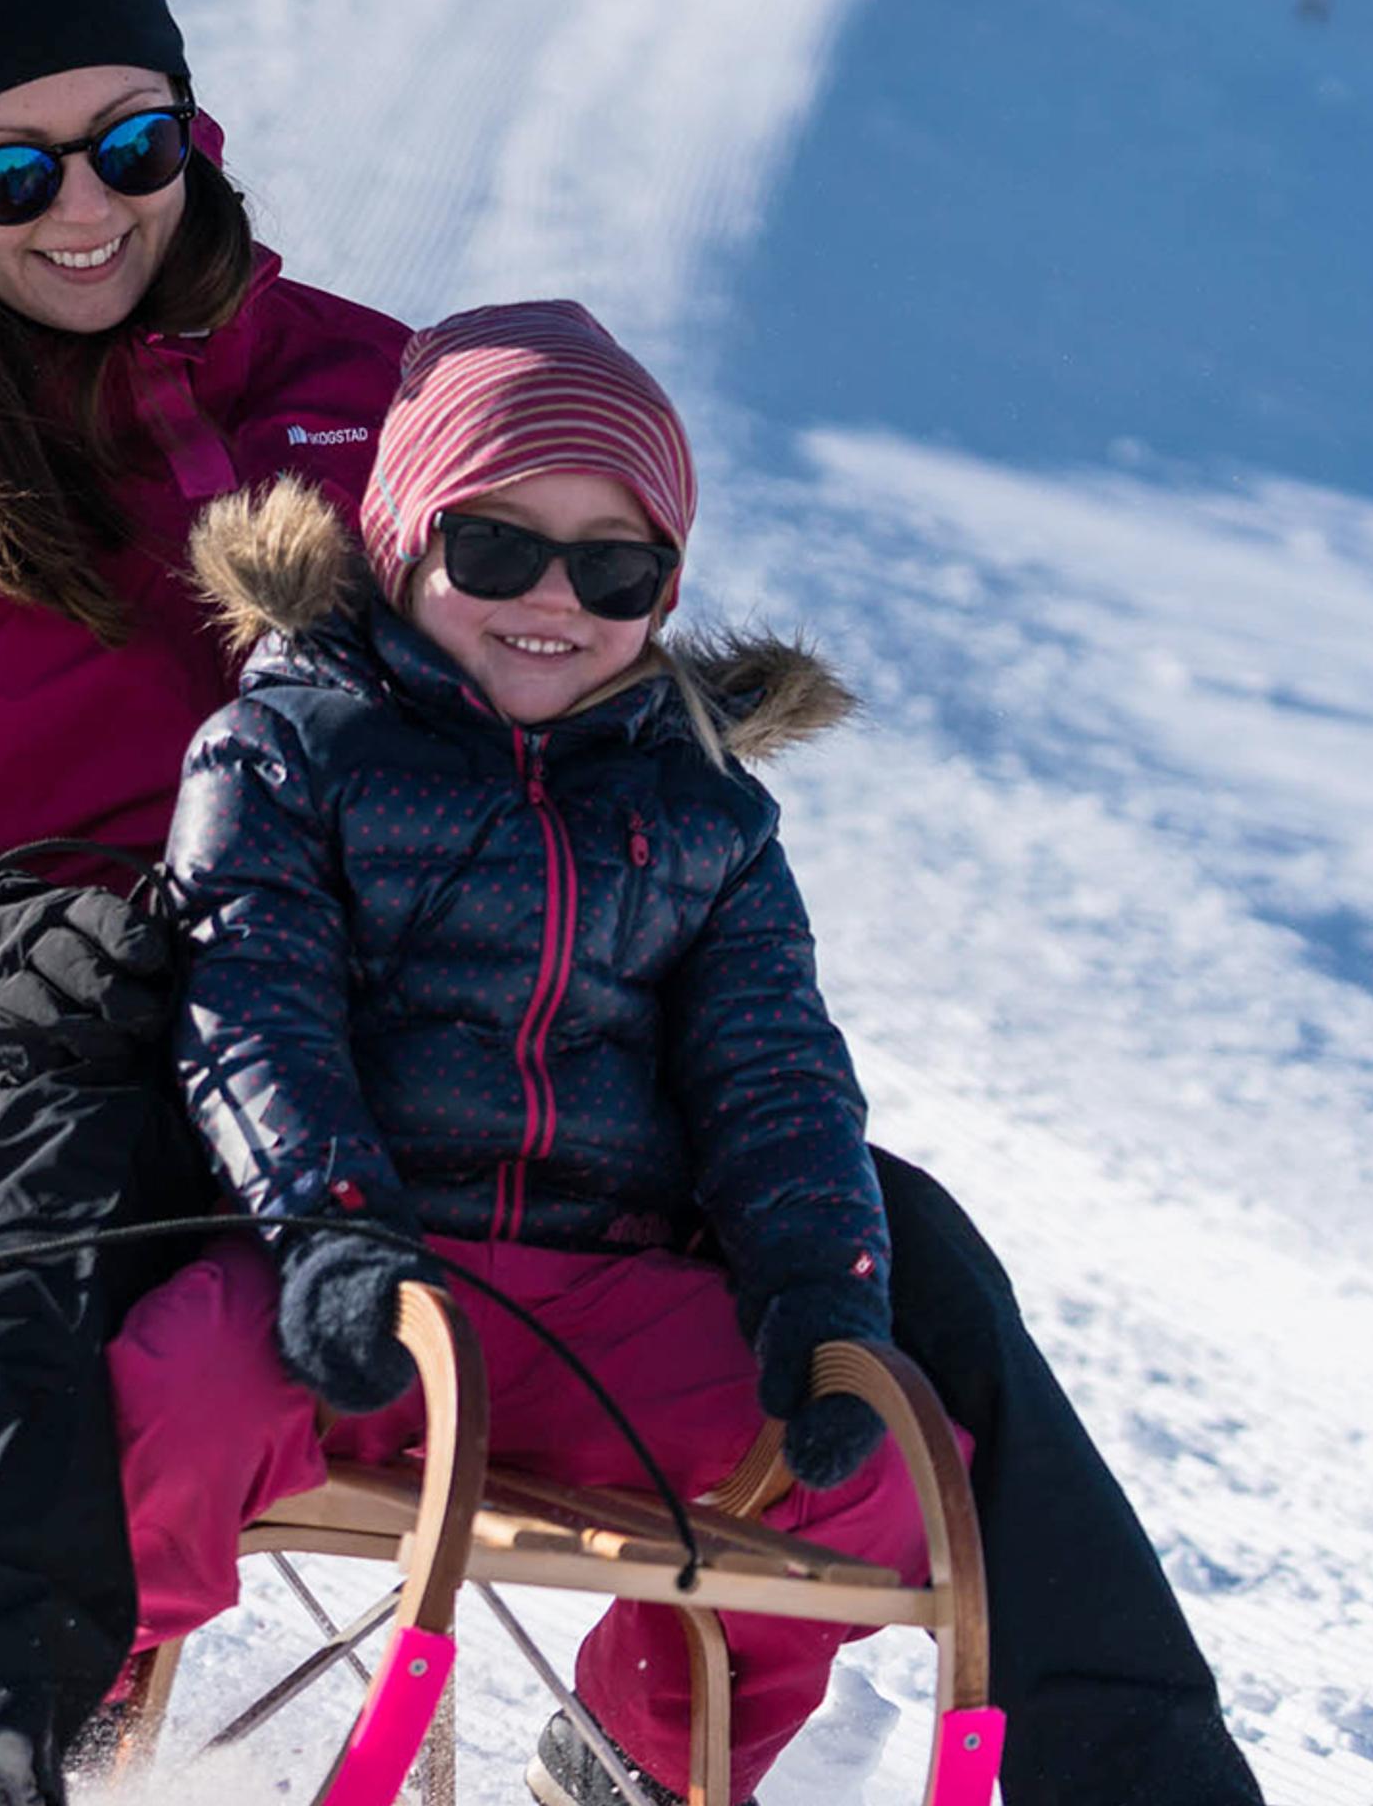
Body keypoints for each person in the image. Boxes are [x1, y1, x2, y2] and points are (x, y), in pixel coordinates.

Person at [0, 0, 1264, 1803]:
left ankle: (1142, 1768)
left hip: (411, 1052)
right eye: (14, 171)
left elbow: (567, 642)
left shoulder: (385, 398)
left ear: (193, 125)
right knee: (41, 1160)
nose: (86, 208)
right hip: (88, 1068)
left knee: (886, 1233)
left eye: (134, 143)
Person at [113, 301, 960, 1806]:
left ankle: (636, 1755)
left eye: (614, 567)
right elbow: (257, 1013)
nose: (551, 600)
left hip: (604, 1313)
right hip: (359, 1293)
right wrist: (334, 1240)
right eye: (496, 550)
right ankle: (71, 1695)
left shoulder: (706, 817)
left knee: (894, 1469)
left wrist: (824, 1311)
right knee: (179, 1384)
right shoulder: (289, 748)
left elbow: (779, 1082)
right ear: (401, 542)